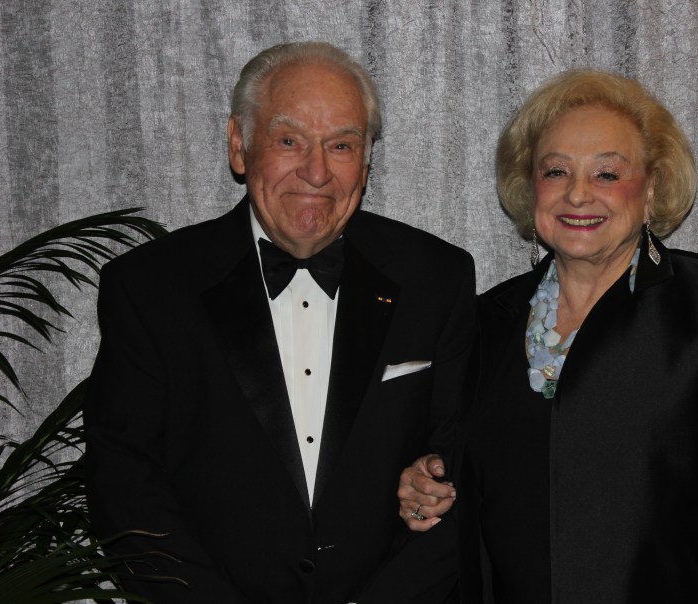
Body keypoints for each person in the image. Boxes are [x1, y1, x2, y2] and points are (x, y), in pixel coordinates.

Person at [398, 70, 698, 602]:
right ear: (530, 186)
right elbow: (458, 475)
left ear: (652, 188)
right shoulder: (486, 320)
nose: (577, 194)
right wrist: (424, 483)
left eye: (607, 174)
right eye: (556, 171)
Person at [85, 41, 474, 603]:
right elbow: (125, 484)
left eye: (341, 145)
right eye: (289, 140)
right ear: (238, 146)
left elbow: (467, 472)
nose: (316, 171)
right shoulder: (150, 288)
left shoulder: (437, 278)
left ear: (366, 162)